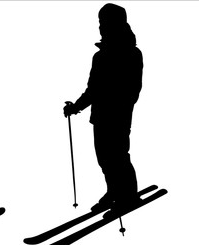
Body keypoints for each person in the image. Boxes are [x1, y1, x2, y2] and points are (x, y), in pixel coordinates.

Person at [63, 3, 143, 215]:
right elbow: (93, 89)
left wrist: (119, 106)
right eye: (100, 22)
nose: (101, 27)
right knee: (105, 159)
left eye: (105, 22)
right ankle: (114, 191)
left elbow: (133, 88)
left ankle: (128, 196)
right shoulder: (100, 56)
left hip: (118, 115)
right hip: (100, 116)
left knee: (118, 156)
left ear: (118, 23)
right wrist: (76, 107)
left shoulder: (132, 53)